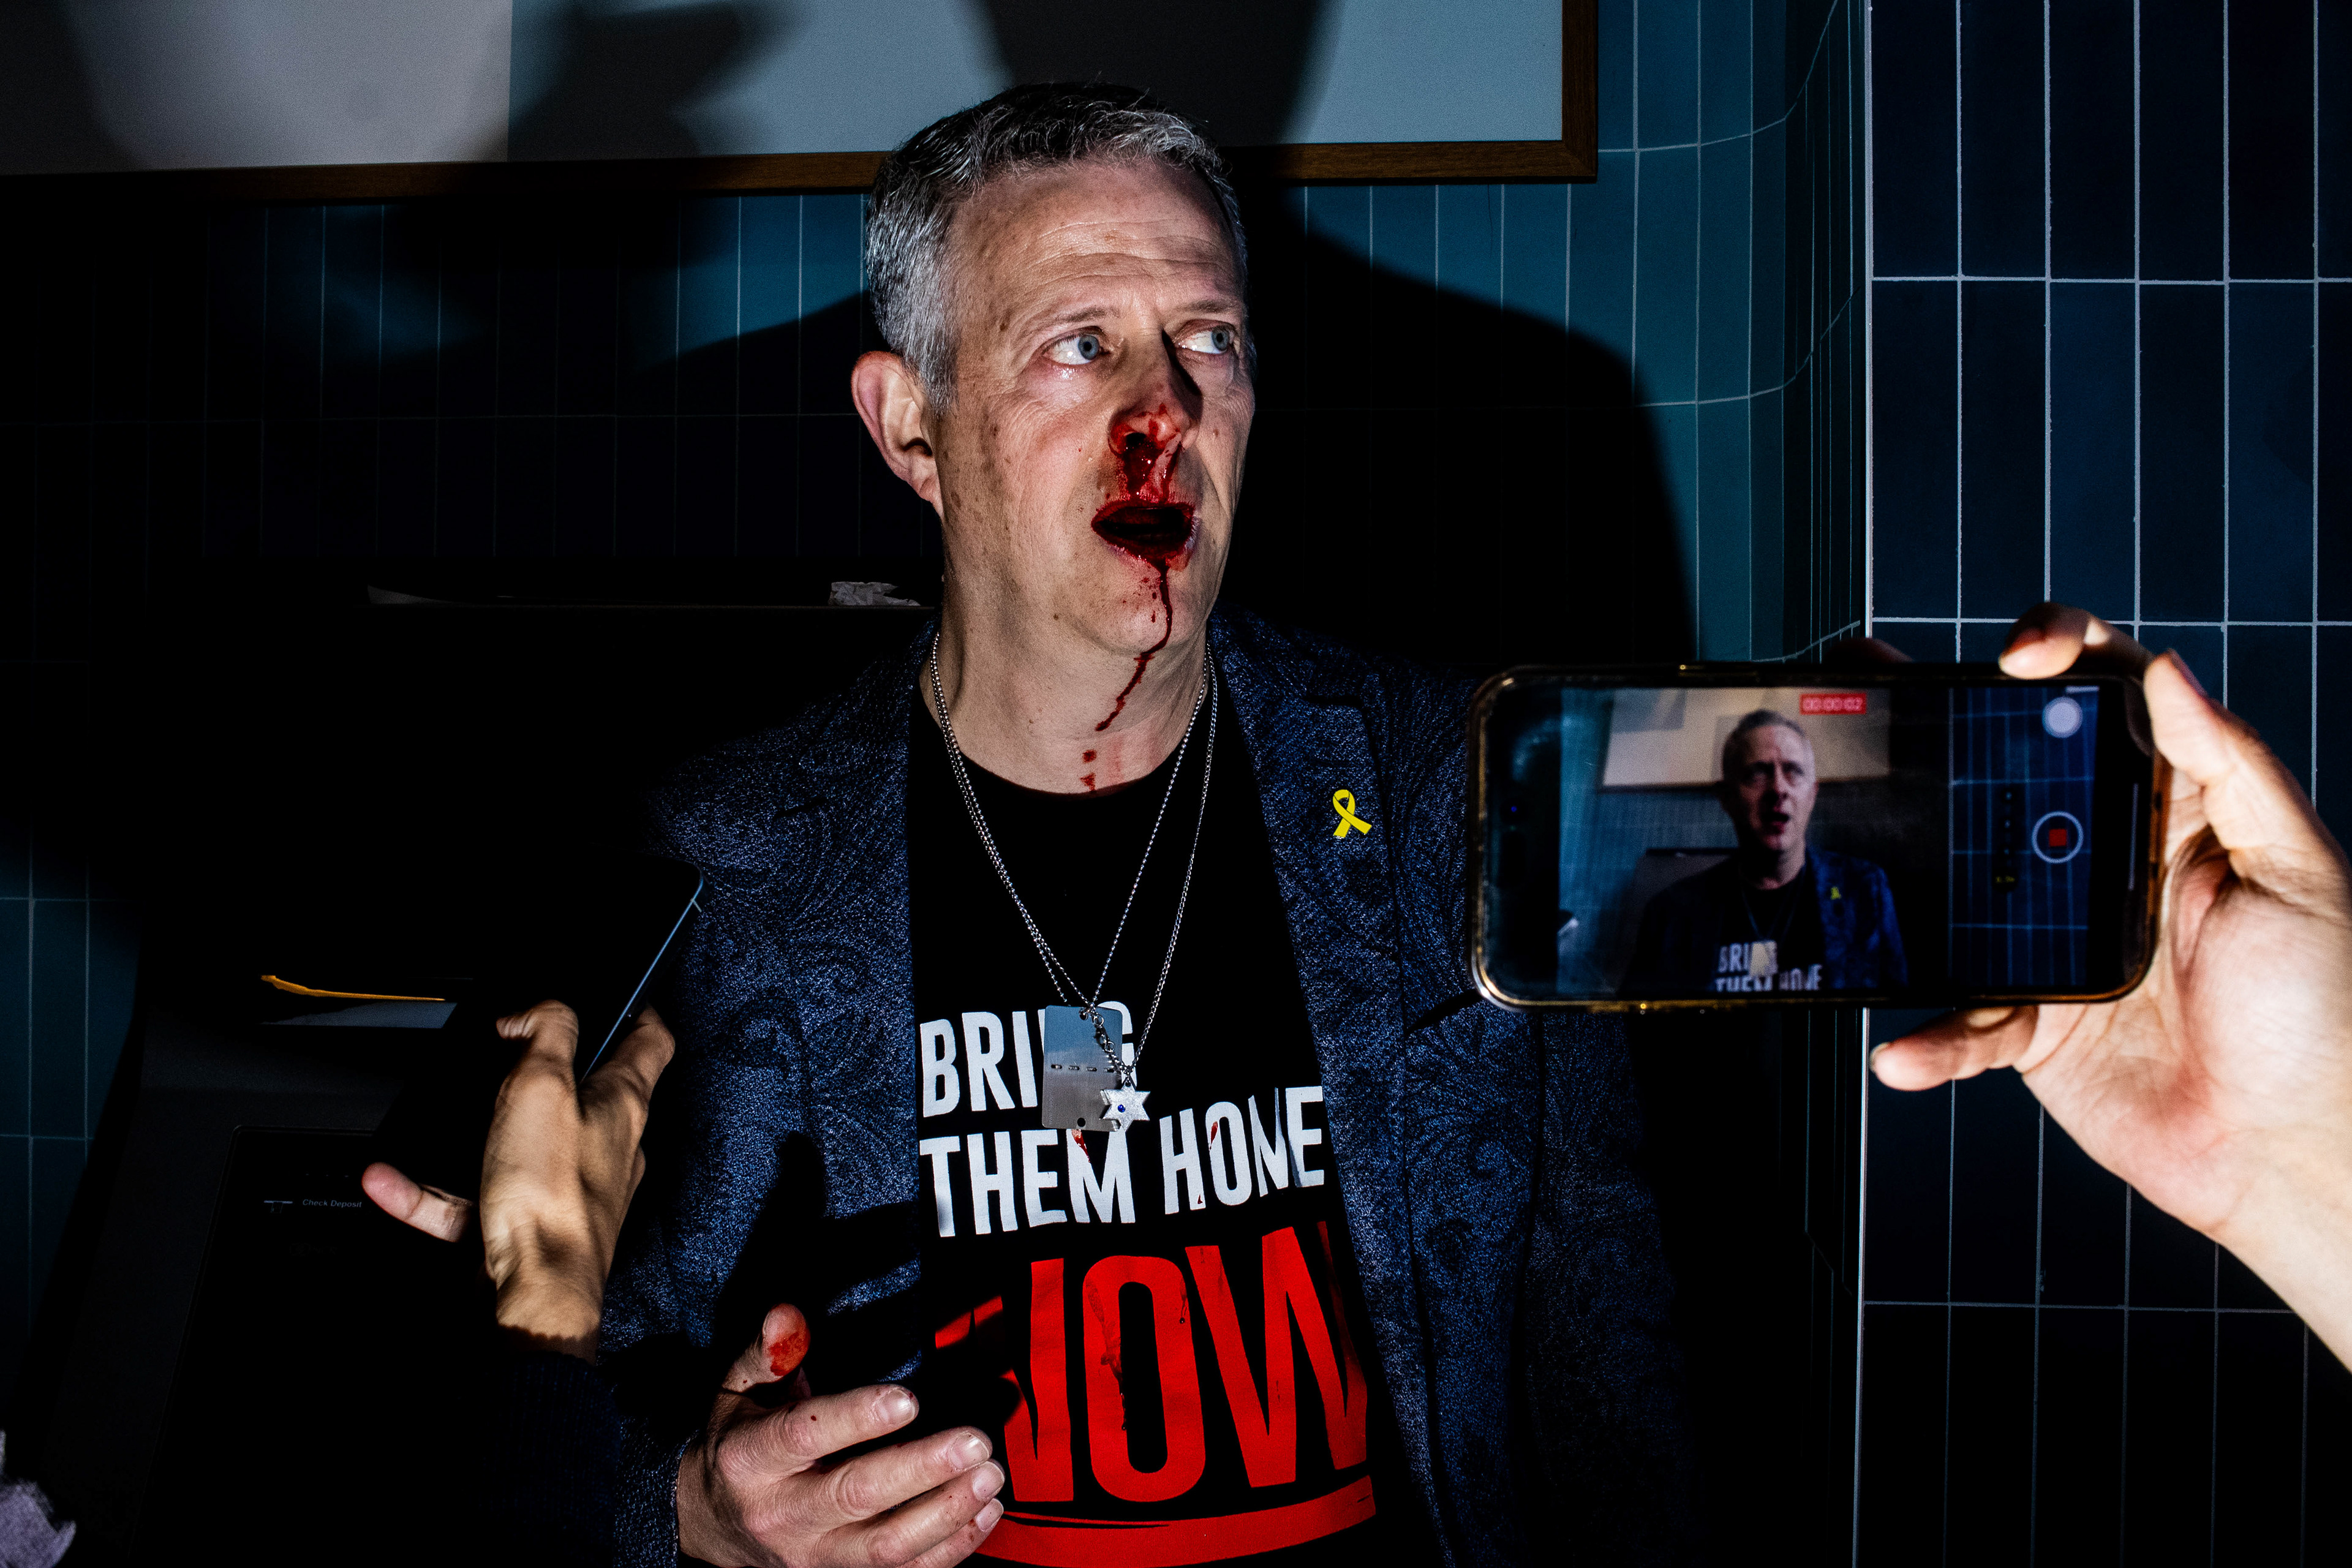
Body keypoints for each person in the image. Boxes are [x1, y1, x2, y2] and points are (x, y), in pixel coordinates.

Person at [594, 84, 1695, 1568]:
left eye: (1209, 341)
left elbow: (1615, 1356)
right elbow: (544, 1394)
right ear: (909, 425)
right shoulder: (725, 859)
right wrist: (690, 1514)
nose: (1160, 410)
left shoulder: (1462, 785)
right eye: (1077, 345)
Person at [1872, 603, 2352, 1370]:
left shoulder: (1859, 901)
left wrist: (2293, 1147)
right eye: (1757, 774)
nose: (1775, 794)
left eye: (1789, 771)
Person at [1620, 709, 1905, 997]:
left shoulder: (1863, 891)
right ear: (1727, 797)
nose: (1778, 789)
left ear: (1812, 795)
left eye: (1793, 772)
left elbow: (1894, 1010)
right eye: (1757, 774)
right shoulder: (1672, 914)